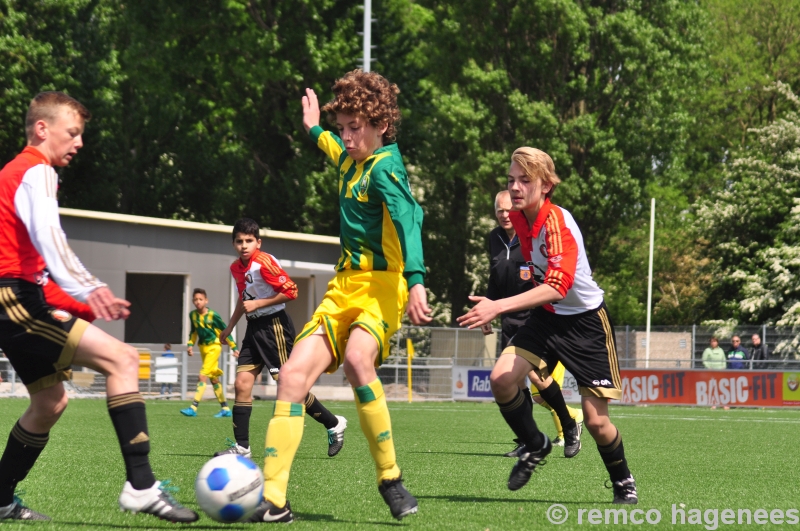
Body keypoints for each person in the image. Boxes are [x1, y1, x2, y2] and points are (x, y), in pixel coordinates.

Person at [0, 91, 197, 522]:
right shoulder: (36, 171)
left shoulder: (17, 172)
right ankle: (141, 486)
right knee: (124, 359)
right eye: (72, 133)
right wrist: (87, 287)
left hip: (17, 296)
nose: (79, 142)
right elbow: (50, 239)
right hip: (12, 299)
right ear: (41, 129)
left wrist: (67, 296)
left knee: (50, 403)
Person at [248, 70, 433, 524]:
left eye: (356, 128)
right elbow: (331, 146)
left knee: (356, 359)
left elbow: (410, 219)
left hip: (382, 287)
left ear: (381, 127)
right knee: (291, 375)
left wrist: (416, 280)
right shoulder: (349, 157)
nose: (347, 138)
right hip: (342, 288)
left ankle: (390, 478)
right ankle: (274, 499)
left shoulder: (386, 167)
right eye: (344, 128)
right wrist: (314, 128)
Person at [458, 147, 637, 505]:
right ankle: (536, 444)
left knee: (597, 423)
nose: (516, 188)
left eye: (525, 180)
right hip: (548, 317)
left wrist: (498, 307)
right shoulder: (520, 219)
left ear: (546, 185)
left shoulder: (556, 221)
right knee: (501, 379)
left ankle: (623, 481)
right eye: (511, 180)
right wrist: (495, 303)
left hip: (587, 323)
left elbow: (558, 285)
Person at [215, 218, 347, 461]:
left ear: (258, 242)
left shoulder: (264, 262)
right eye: (239, 241)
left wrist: (259, 303)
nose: (244, 245)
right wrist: (230, 326)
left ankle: (334, 423)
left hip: (274, 326)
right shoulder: (236, 268)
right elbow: (244, 299)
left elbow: (291, 291)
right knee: (242, 384)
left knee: (290, 386)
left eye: (249, 241)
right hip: (253, 329)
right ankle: (242, 447)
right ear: (233, 243)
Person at [486, 190, 583, 457]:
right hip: (508, 318)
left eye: (508, 210)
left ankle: (569, 422)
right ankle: (526, 439)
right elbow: (495, 280)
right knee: (513, 381)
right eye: (499, 210)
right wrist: (488, 308)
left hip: (533, 316)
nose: (505, 215)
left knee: (534, 376)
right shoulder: (493, 239)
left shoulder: (530, 234)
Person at [180, 288, 238, 417]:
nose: (198, 302)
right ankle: (225, 409)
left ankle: (193, 407)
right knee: (214, 379)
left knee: (202, 375)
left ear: (206, 300)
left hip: (214, 347)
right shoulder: (193, 315)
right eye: (195, 299)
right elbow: (193, 332)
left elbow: (225, 330)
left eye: (200, 299)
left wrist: (234, 347)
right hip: (203, 348)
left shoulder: (213, 315)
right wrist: (190, 345)